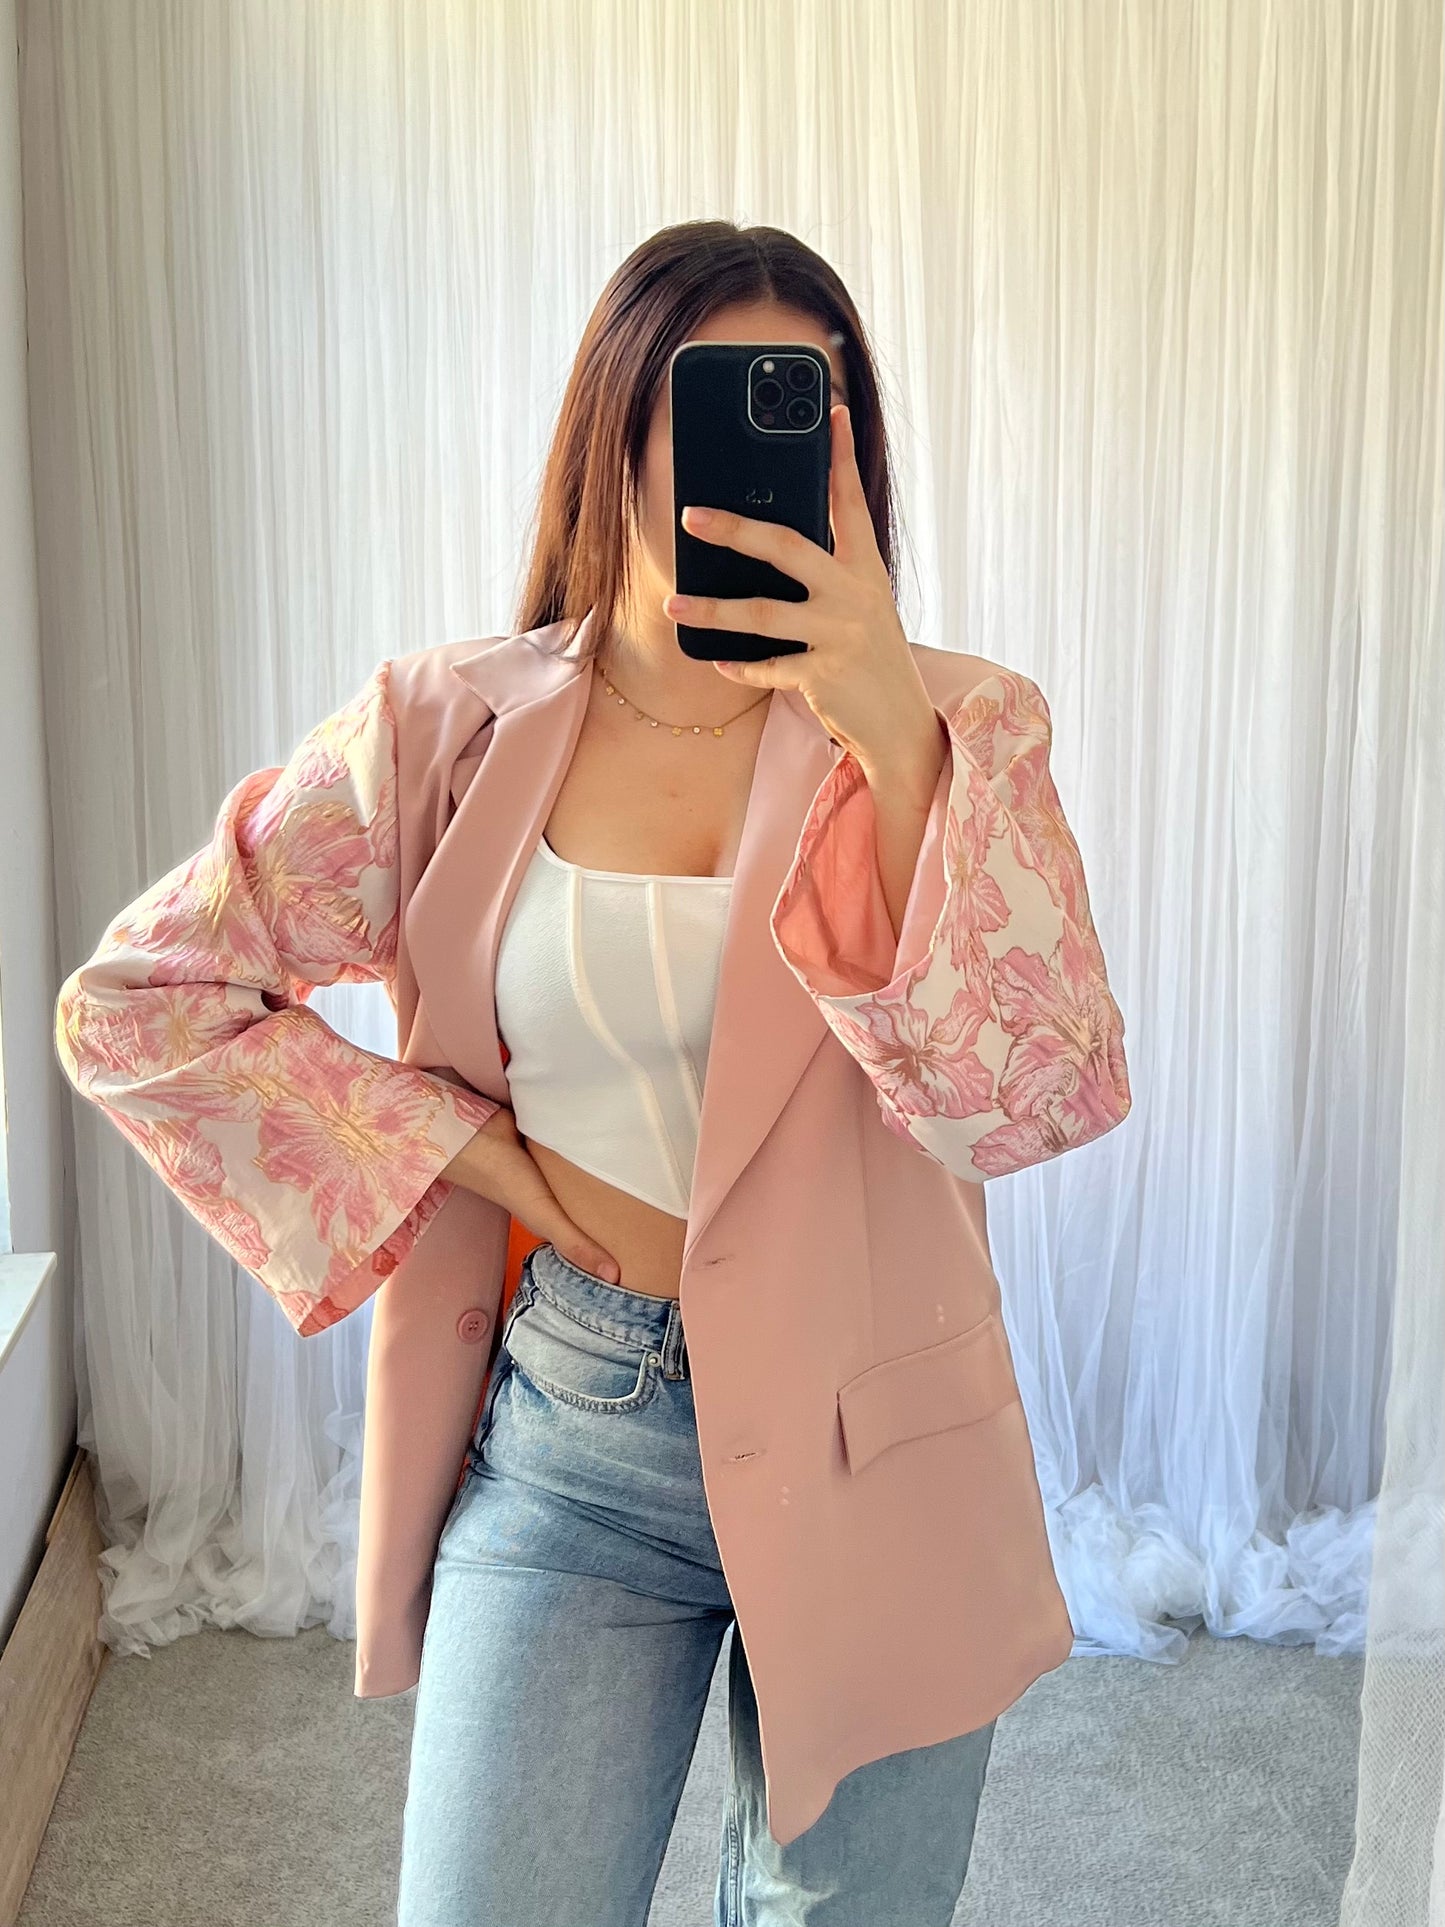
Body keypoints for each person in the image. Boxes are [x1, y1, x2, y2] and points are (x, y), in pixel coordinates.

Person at [55, 221, 1132, 1927]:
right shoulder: (440, 734)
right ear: (613, 426)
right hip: (578, 1428)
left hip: (880, 1433)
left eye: (810, 410)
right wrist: (462, 1152)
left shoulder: (960, 731)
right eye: (709, 402)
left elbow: (1028, 1097)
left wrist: (892, 742)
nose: (763, 452)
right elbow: (140, 1001)